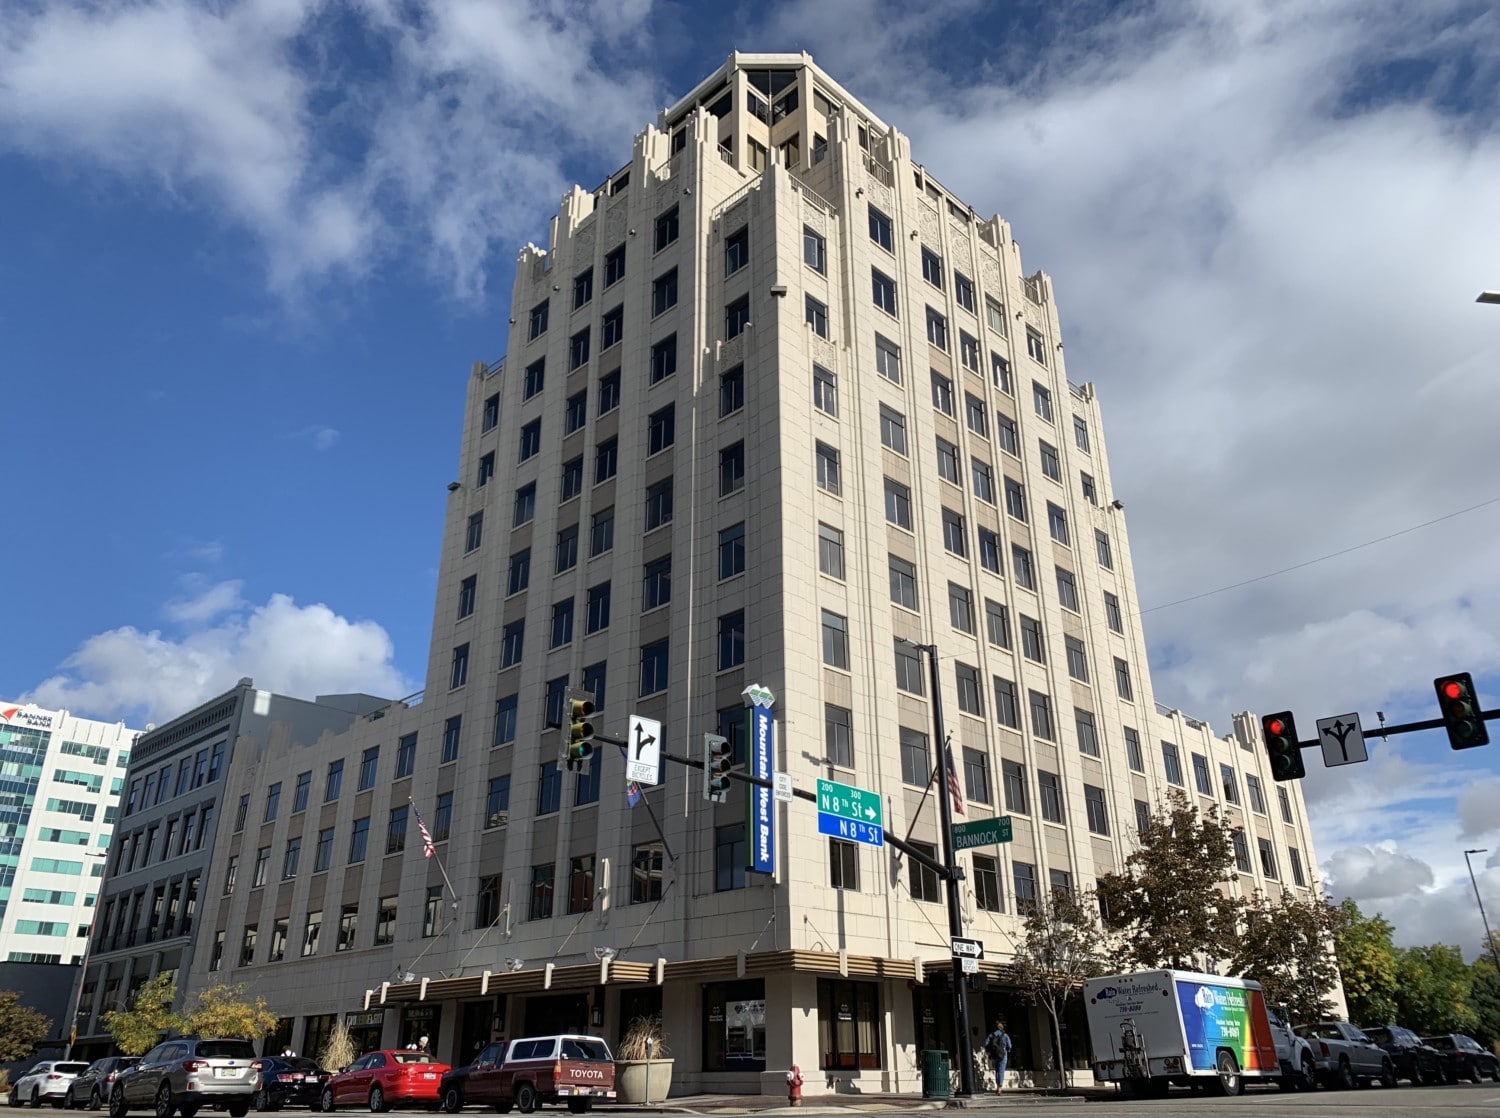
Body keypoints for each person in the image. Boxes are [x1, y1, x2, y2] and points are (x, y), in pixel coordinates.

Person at [983, 1020, 1011, 1092]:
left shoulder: (992, 1035)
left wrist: (989, 1051)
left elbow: (985, 1044)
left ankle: (997, 1085)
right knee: (1001, 1070)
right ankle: (1000, 1087)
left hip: (995, 1055)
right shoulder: (1005, 1035)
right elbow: (1009, 1046)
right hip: (1003, 1054)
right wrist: (1007, 1050)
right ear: (1002, 1028)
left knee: (997, 1071)